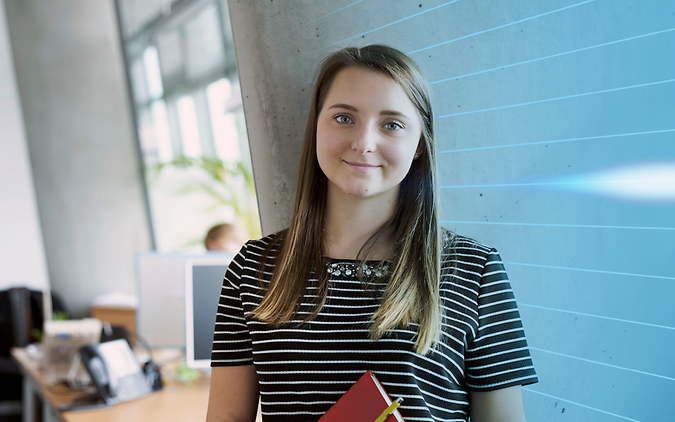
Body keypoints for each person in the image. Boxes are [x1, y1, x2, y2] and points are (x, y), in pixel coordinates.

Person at [206, 45, 538, 422]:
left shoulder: (475, 271)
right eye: (344, 118)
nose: (363, 142)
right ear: (317, 124)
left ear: (418, 146)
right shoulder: (252, 268)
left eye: (392, 124)